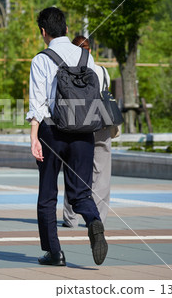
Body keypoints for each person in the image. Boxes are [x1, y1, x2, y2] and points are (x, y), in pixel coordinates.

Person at [26, 7, 108, 267]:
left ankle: (54, 253)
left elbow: (38, 103)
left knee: (48, 194)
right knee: (81, 192)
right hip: (84, 132)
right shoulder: (86, 57)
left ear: (43, 32)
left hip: (53, 131)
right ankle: (94, 222)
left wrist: (34, 137)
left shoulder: (41, 59)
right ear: (67, 29)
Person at [62, 36, 113, 227]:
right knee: (102, 171)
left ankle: (71, 217)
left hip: (77, 123)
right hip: (101, 122)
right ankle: (97, 218)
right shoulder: (101, 70)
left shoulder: (65, 70)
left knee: (74, 167)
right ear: (90, 51)